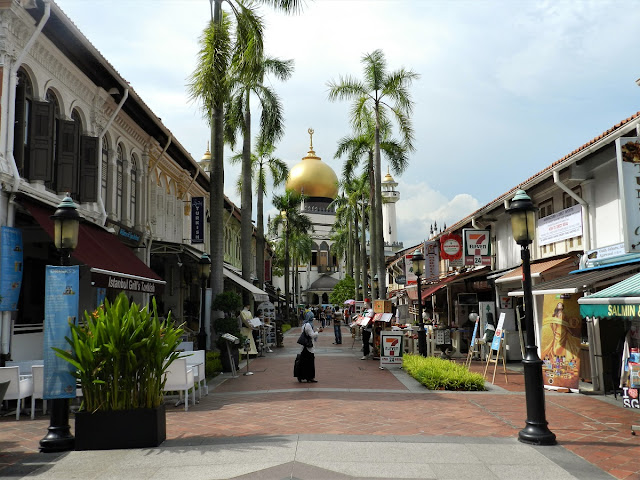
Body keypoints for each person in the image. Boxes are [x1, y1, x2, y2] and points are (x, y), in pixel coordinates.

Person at [297, 306, 322, 382]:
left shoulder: (304, 324)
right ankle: (309, 377)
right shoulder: (308, 325)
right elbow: (312, 335)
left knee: (304, 362)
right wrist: (318, 332)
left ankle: (302, 376)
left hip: (304, 346)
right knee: (309, 362)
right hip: (308, 346)